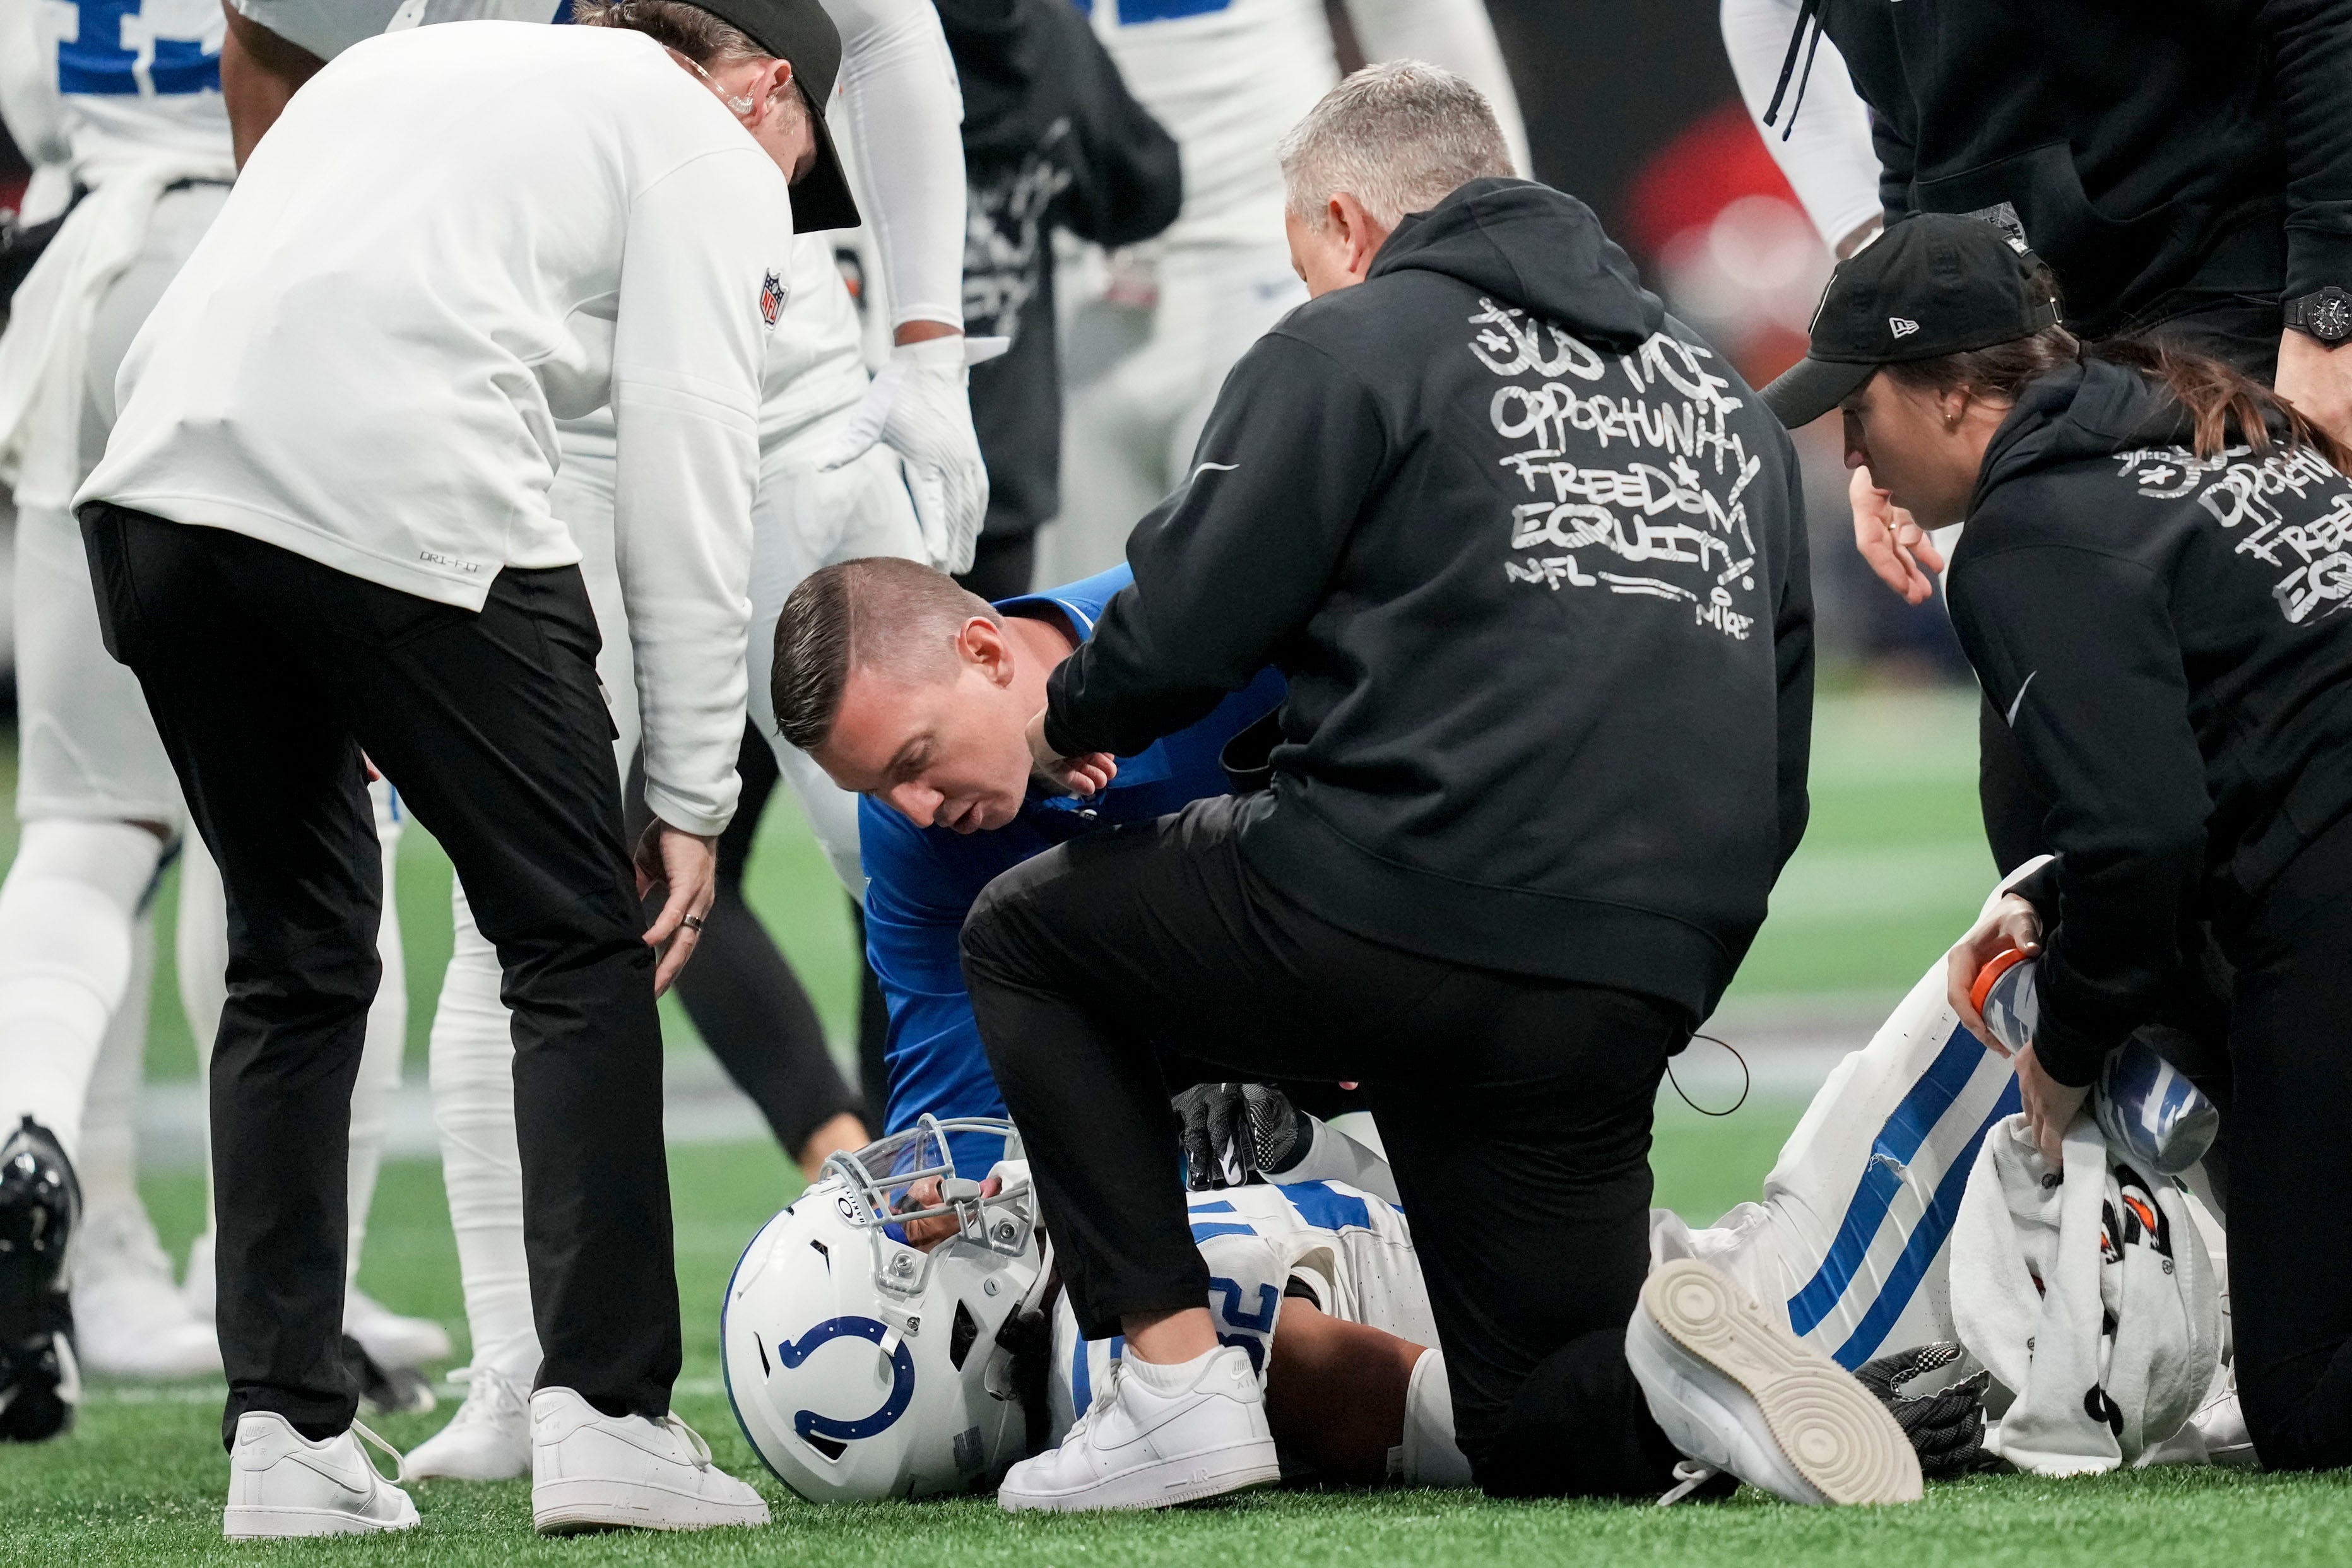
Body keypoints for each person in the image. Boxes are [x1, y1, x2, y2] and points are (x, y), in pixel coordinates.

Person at [787, 64, 1877, 1509]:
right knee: (1542, 1435)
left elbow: (1172, 629)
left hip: (1406, 910)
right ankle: (1698, 1379)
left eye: (1309, 265)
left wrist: (1075, 727)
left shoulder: (1355, 341)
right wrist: (1667, 955)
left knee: (1028, 938)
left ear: (1348, 227)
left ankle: (1175, 1394)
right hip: (1635, 973)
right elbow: (1776, 748)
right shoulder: (1725, 407)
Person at [70, 4, 849, 1535]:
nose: (787, 212)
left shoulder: (409, 66)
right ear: (760, 83)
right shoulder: (702, 136)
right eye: (801, 164)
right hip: (393, 479)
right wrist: (689, 791)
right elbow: (690, 458)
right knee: (574, 938)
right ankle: (608, 1416)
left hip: (156, 488)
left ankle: (285, 1441)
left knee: (292, 962)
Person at [219, 0, 976, 1482]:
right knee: (507, 899)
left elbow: (889, 39)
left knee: (922, 843)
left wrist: (929, 346)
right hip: (539, 416)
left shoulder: (739, 131)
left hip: (789, 386)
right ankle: (522, 1369)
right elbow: (281, 40)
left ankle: (1012, 1270)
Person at [1764, 210, 2352, 1473]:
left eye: (1860, 408)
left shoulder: (2033, 534)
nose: (1848, 446)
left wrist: (2065, 1056)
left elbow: (2142, 843)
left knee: (2313, 1399)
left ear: (1955, 395)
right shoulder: (2207, 419)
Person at [0, 0, 436, 1434]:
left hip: (79, 292)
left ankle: (37, 1144)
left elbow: (31, 109)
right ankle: (308, 1267)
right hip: (269, 284)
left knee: (82, 819)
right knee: (311, 812)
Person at [1046, 0, 1528, 580]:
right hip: (1056, 272)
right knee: (1064, 633)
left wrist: (1498, 246)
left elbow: (1421, 18)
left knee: (1302, 600)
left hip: (1273, 254)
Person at [937, 0, 1183, 602]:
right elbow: (1144, 191)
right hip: (998, 458)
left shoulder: (840, 27)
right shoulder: (1048, 36)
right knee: (993, 679)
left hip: (868, 448)